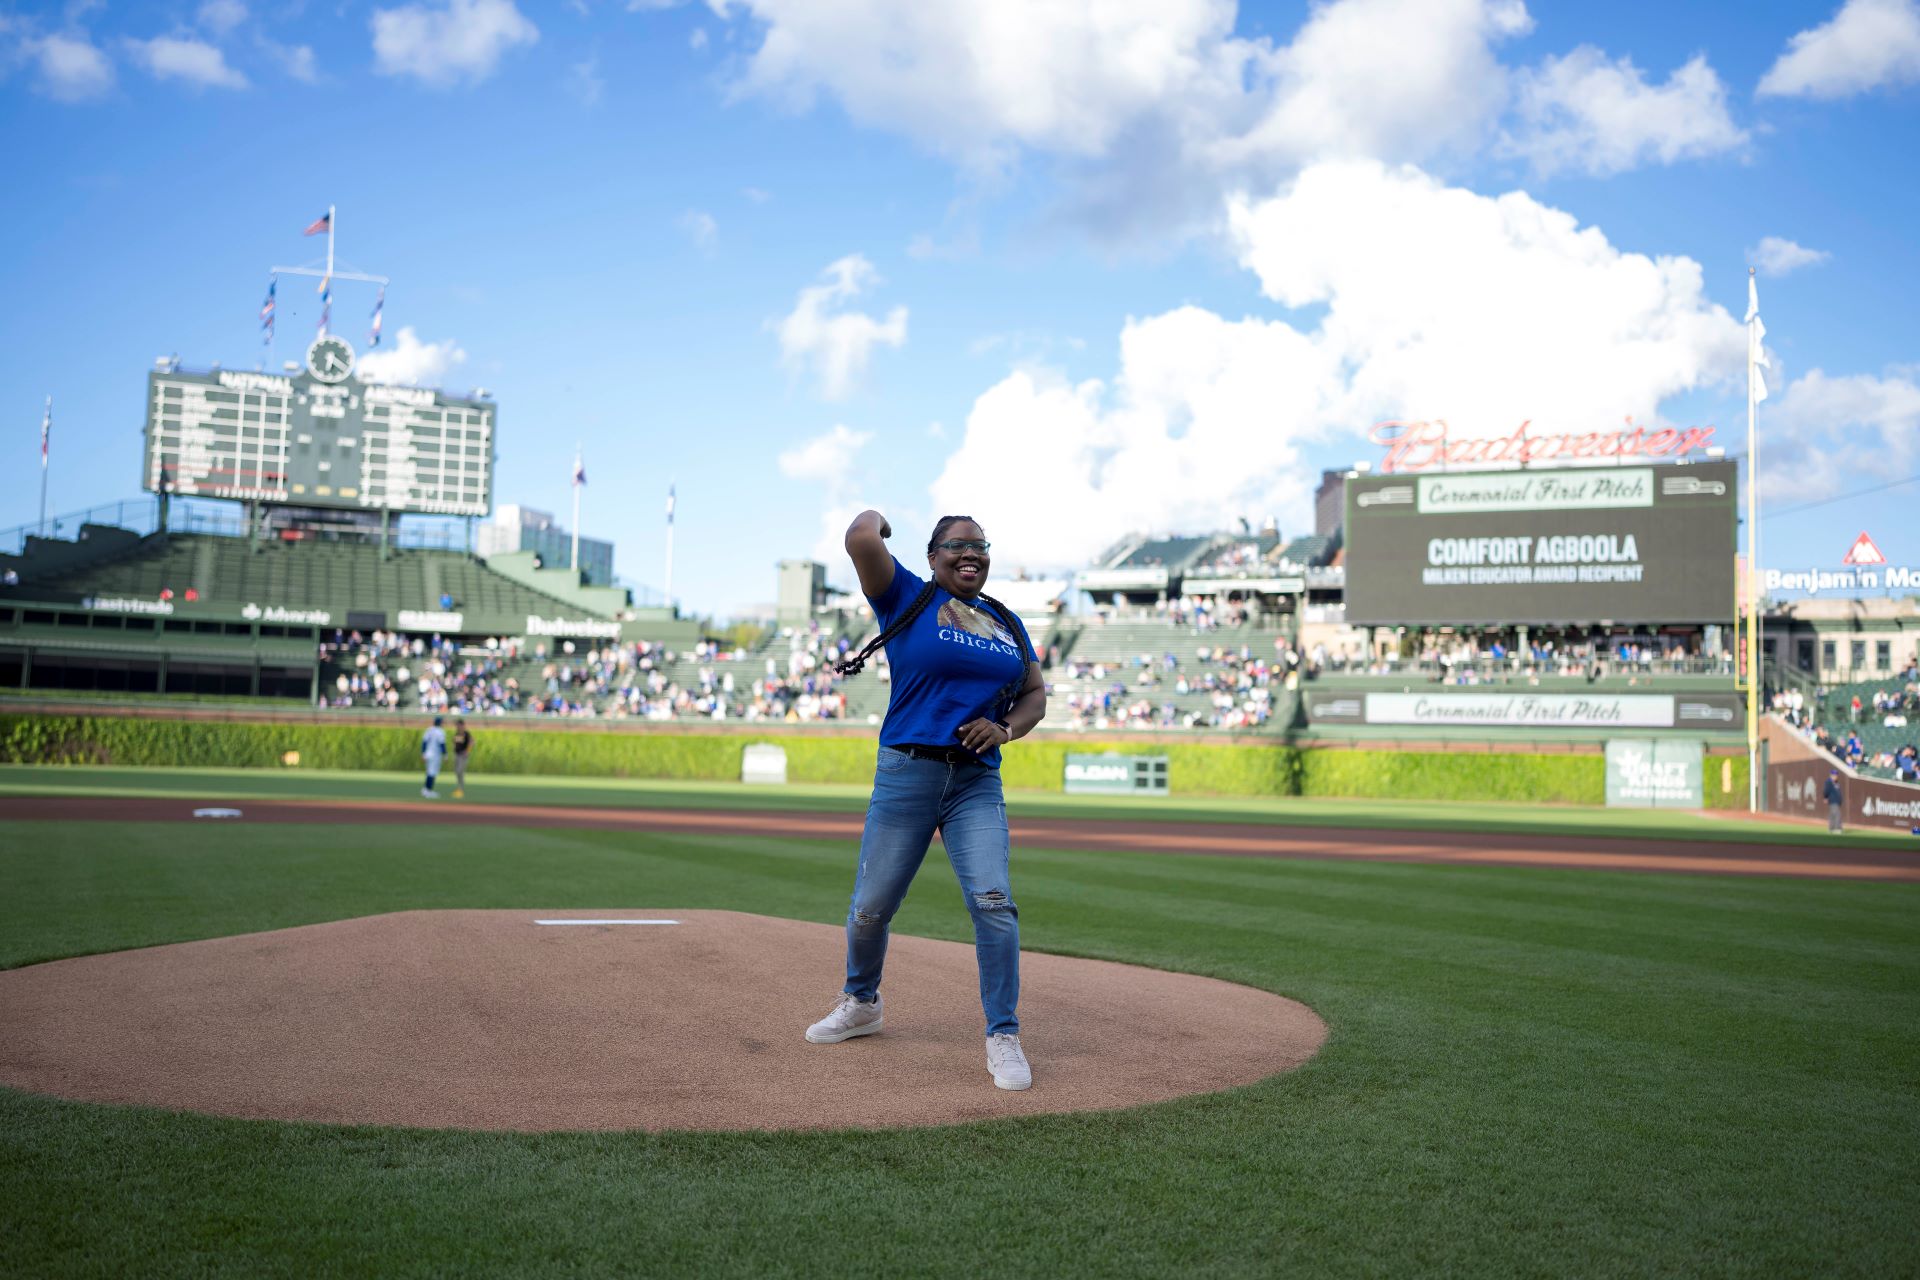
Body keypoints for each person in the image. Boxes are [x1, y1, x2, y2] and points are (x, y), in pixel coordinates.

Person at [803, 511, 1047, 1092]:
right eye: (958, 546)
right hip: (906, 773)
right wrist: (880, 523)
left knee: (994, 901)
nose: (972, 554)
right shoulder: (907, 596)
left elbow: (1036, 694)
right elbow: (861, 538)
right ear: (934, 556)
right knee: (870, 907)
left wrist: (1006, 728)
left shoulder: (1006, 621)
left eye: (980, 546)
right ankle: (861, 1002)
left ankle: (1003, 1033)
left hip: (975, 782)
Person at [421, 716, 447, 799]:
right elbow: (442, 744)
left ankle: (425, 789)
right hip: (435, 755)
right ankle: (428, 791)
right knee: (432, 773)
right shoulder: (440, 731)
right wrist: (445, 754)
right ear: (440, 723)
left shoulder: (429, 730)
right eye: (443, 722)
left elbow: (424, 742)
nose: (444, 724)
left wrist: (423, 753)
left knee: (429, 772)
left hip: (428, 754)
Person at [452, 718, 474, 798]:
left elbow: (472, 742)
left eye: (458, 724)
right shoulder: (457, 733)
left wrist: (467, 751)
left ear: (462, 725)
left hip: (462, 756)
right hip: (457, 755)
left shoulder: (466, 734)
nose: (457, 726)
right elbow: (455, 742)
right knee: (457, 772)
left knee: (460, 771)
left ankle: (460, 788)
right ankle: (459, 788)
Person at [1823, 769, 1844, 834]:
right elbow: (1826, 791)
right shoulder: (1828, 782)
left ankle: (1831, 828)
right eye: (1834, 775)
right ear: (1831, 775)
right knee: (1837, 814)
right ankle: (1837, 828)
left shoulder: (1836, 782)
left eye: (1836, 775)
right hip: (1832, 800)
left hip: (1837, 801)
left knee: (1832, 814)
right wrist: (1825, 797)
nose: (1835, 776)